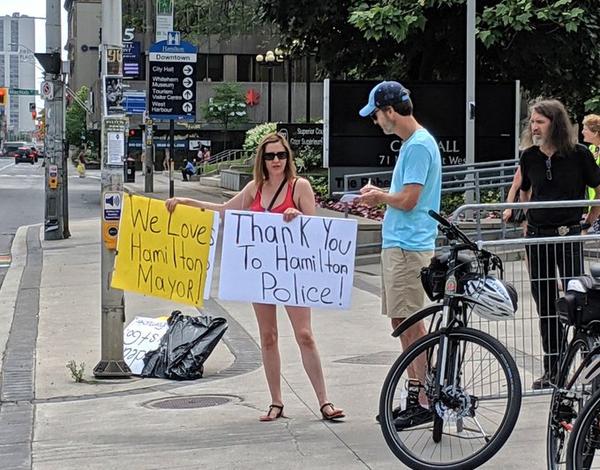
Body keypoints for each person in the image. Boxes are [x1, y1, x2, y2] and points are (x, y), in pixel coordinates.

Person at [165, 132, 345, 422]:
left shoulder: (300, 187)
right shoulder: (254, 189)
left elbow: (316, 228)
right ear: (263, 159)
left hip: (293, 272)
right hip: (261, 273)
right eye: (271, 155)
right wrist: (185, 201)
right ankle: (276, 401)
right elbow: (224, 212)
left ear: (289, 158)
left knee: (304, 335)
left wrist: (295, 215)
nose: (277, 161)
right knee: (268, 336)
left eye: (282, 155)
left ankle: (324, 401)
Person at [357, 81, 442, 428]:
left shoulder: (419, 146)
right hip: (404, 242)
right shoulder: (413, 144)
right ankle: (421, 390)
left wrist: (380, 197)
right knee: (403, 320)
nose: (376, 121)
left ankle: (421, 395)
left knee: (408, 321)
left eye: (377, 114)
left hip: (409, 246)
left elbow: (409, 199)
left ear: (390, 111)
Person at [519, 99, 600, 389]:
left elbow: (598, 188)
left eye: (540, 121)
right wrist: (528, 219)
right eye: (532, 121)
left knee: (576, 299)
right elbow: (525, 190)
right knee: (544, 303)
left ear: (555, 123)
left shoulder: (579, 155)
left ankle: (587, 365)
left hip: (568, 234)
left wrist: (588, 221)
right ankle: (553, 370)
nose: (534, 126)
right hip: (539, 236)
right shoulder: (529, 156)